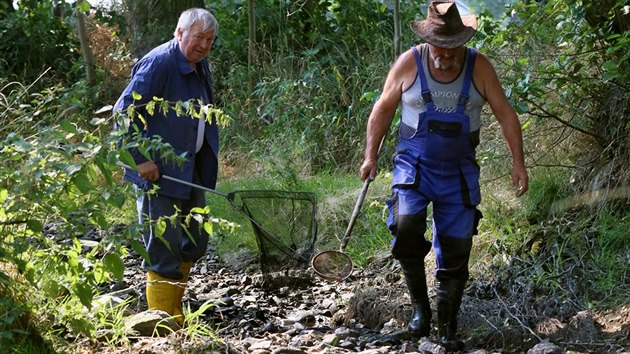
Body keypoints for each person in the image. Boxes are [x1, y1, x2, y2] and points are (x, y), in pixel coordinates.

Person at [359, 0, 528, 350]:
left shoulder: (479, 66)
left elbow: (506, 114)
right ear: (429, 41)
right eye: (442, 48)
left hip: (458, 171)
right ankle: (420, 309)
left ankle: (448, 321)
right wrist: (370, 156)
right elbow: (383, 109)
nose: (447, 56)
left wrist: (518, 163)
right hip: (414, 165)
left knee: (457, 244)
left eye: (454, 49)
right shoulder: (409, 62)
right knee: (405, 228)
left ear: (463, 42)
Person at [113, 8, 219, 326]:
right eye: (198, 37)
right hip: (157, 171)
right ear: (179, 33)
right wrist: (139, 158)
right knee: (163, 243)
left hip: (191, 170)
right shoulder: (159, 63)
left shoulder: (199, 65)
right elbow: (123, 112)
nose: (203, 45)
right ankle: (163, 320)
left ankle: (174, 309)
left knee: (194, 239)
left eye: (210, 40)